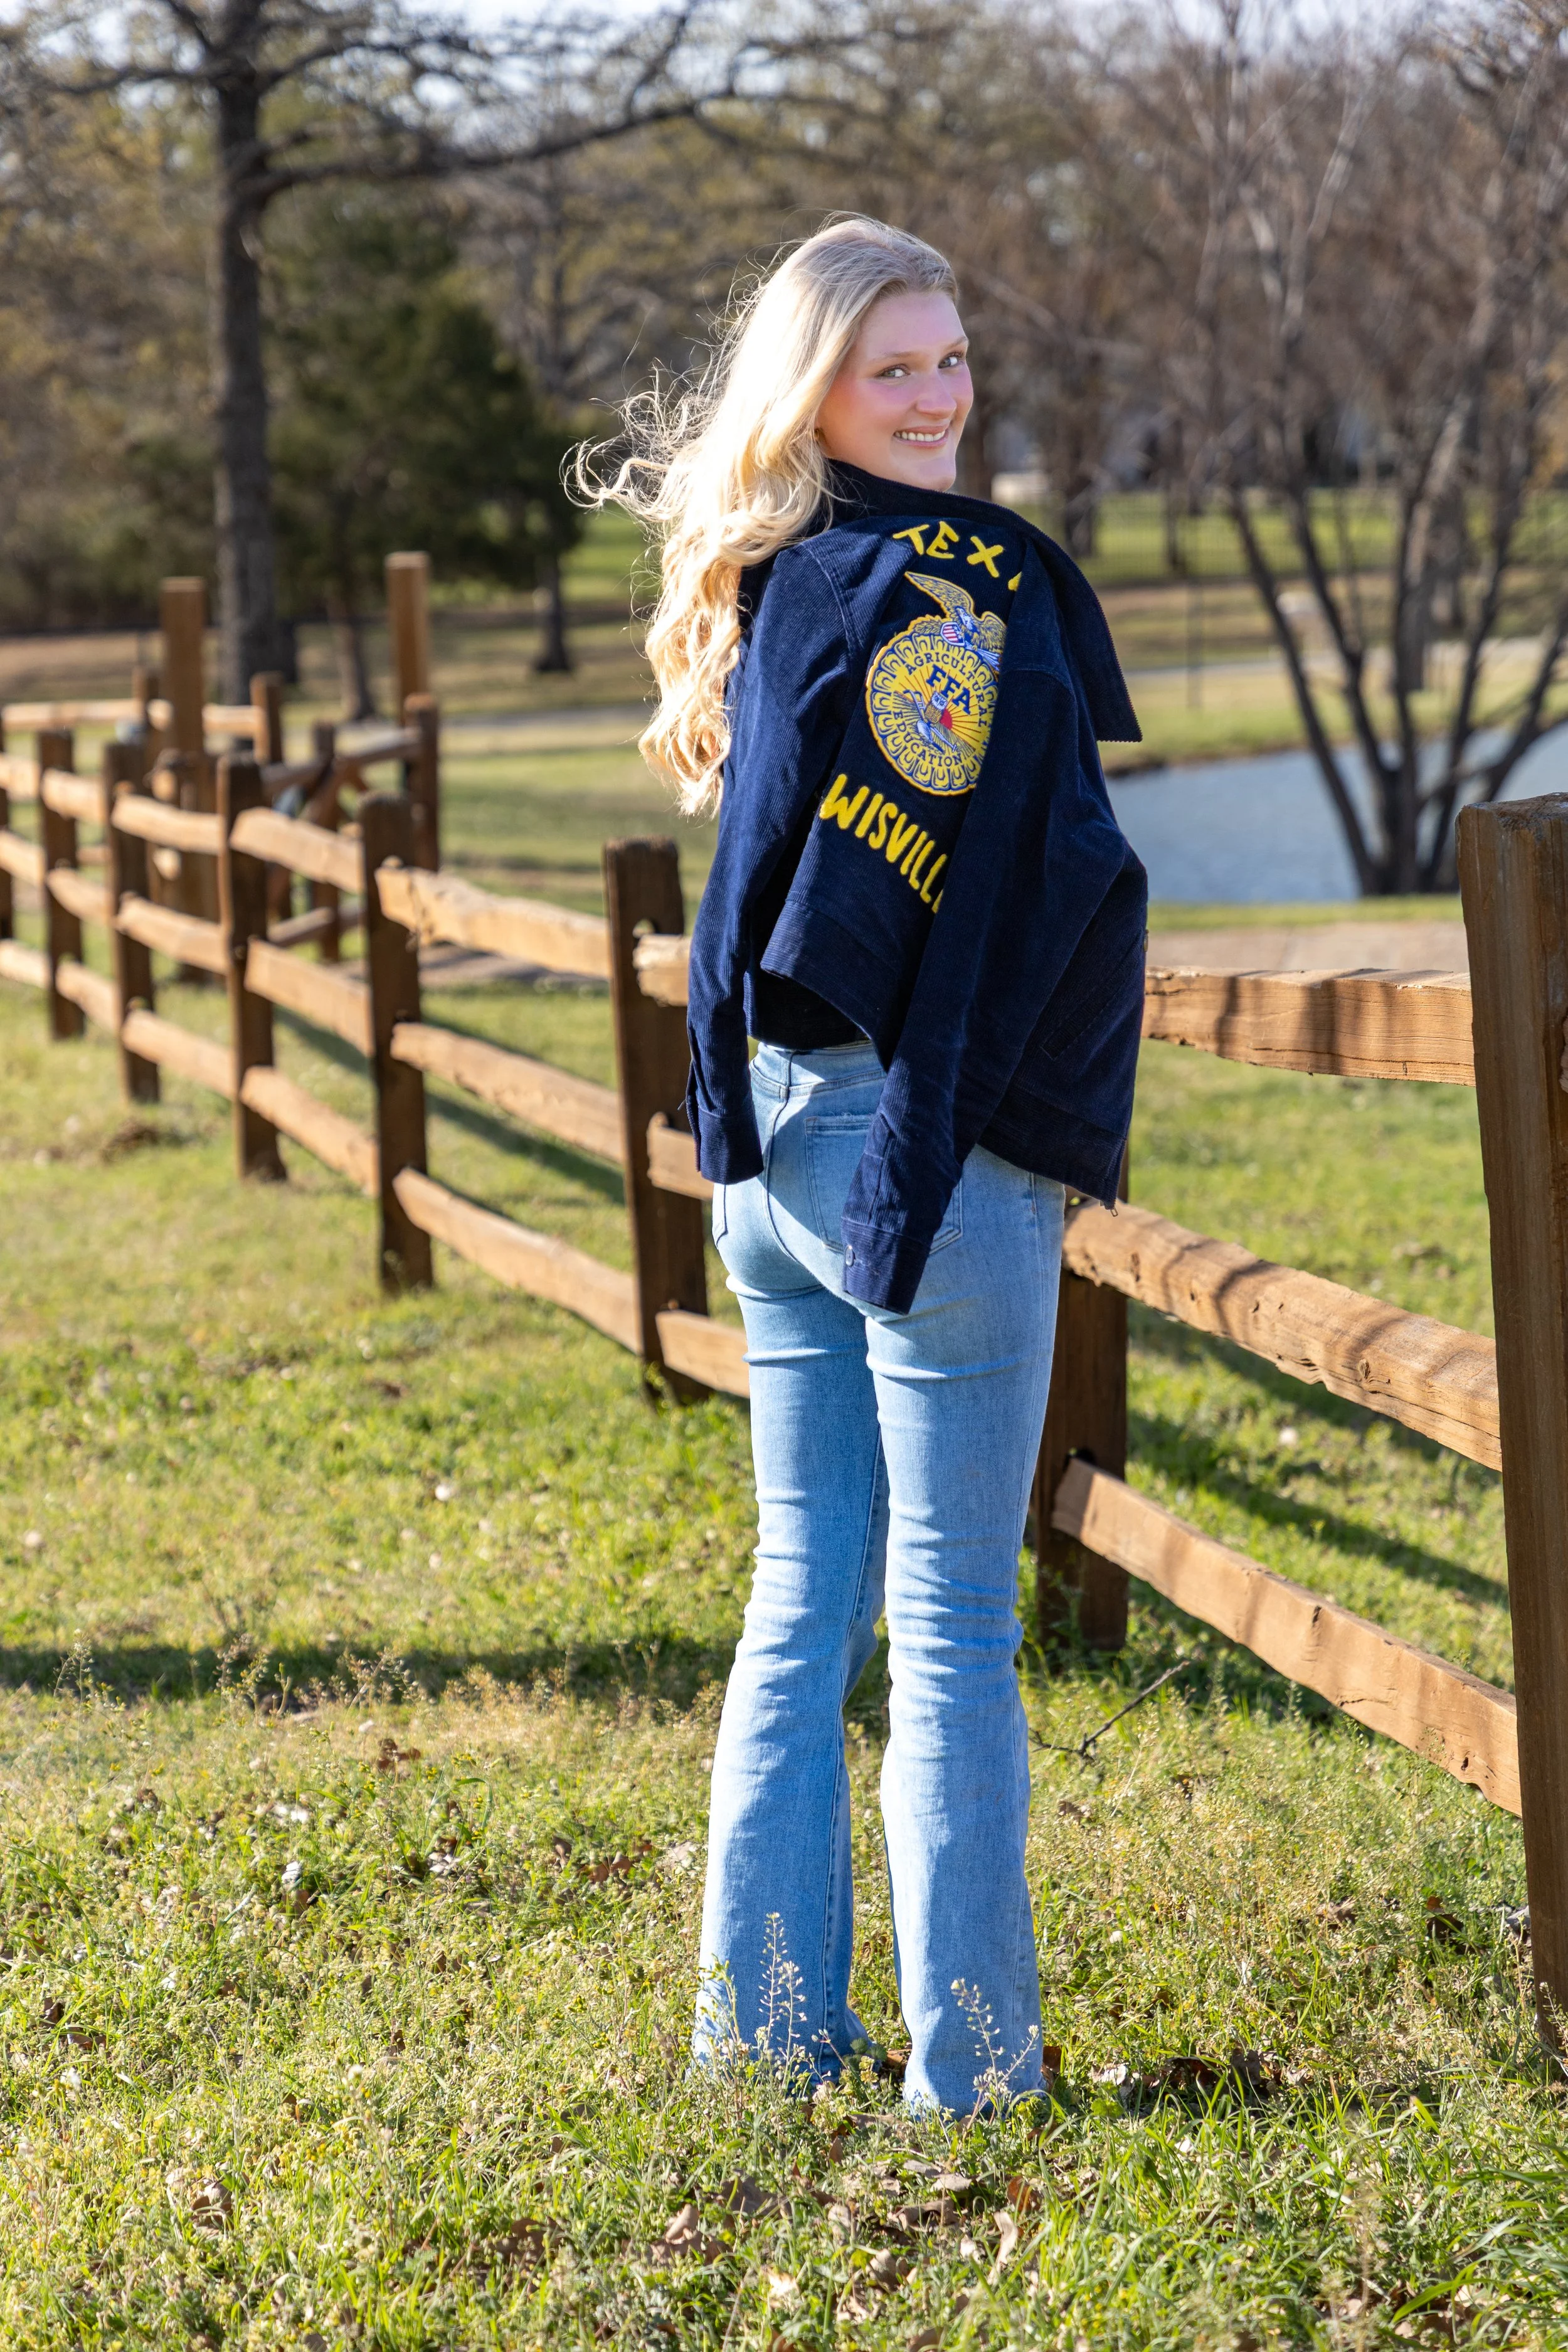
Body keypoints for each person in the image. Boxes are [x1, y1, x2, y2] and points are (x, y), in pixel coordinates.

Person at [585, 217, 1147, 2113]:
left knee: (802, 1590)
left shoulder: (779, 568)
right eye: (893, 365)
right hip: (923, 1154)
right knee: (956, 1630)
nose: (937, 394)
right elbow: (999, 903)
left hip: (768, 1149)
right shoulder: (951, 590)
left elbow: (776, 912)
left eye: (953, 357)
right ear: (810, 387)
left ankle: (762, 2037)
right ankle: (975, 2072)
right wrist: (1005, 1144)